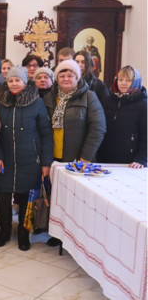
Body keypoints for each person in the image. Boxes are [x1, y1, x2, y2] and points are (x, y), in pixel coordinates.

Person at [43, 60, 106, 247]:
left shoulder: (89, 97)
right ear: (56, 78)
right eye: (62, 75)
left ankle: (76, 237)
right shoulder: (49, 97)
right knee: (56, 196)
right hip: (54, 158)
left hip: (79, 159)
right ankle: (57, 233)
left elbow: (98, 128)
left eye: (70, 75)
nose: (66, 78)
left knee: (77, 200)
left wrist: (85, 158)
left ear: (77, 78)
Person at [0, 66, 53, 251]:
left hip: (30, 158)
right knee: (2, 194)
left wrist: (45, 162)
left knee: (28, 196)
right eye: (10, 80)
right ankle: (5, 230)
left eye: (17, 80)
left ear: (25, 82)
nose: (14, 84)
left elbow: (45, 133)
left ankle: (24, 233)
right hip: (5, 158)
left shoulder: (37, 102)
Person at [98, 66, 147, 168]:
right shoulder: (108, 101)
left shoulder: (143, 104)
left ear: (135, 82)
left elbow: (146, 135)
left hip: (131, 163)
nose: (123, 83)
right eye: (120, 79)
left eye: (128, 80)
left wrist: (141, 159)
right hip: (105, 159)